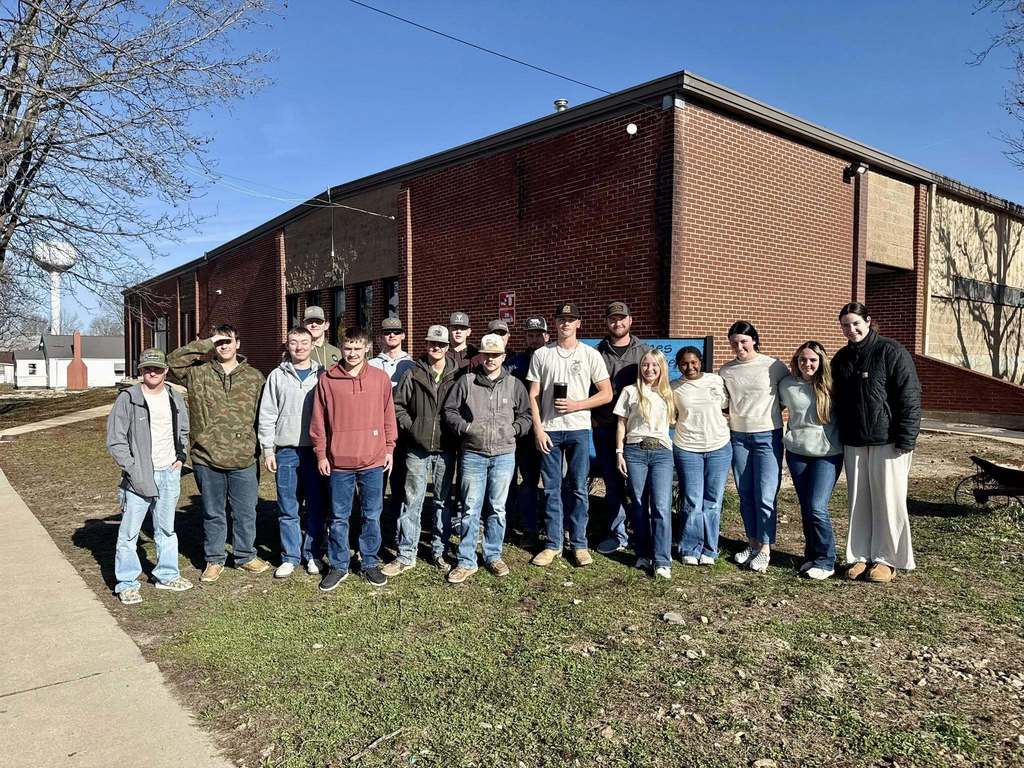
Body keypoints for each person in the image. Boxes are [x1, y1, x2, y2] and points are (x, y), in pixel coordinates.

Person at [168, 325, 268, 582]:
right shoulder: (197, 374)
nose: (223, 346)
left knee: (245, 511)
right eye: (219, 342)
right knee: (213, 512)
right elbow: (173, 360)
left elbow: (263, 416)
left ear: (238, 344)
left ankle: (245, 555)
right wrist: (206, 342)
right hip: (206, 456)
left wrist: (260, 446)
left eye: (228, 341)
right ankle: (214, 559)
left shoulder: (255, 377)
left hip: (243, 456)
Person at [831, 302, 921, 584]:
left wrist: (906, 437)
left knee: (888, 500)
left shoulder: (890, 352)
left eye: (856, 323)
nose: (851, 329)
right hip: (854, 441)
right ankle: (859, 555)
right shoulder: (841, 358)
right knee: (858, 500)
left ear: (868, 321)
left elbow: (910, 396)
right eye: (845, 325)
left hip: (889, 441)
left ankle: (886, 559)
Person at [310, 326, 397, 590]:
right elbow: (319, 422)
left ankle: (369, 561)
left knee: (372, 514)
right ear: (341, 348)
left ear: (367, 348)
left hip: (373, 460)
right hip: (339, 462)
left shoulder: (380, 378)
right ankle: (339, 565)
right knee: (338, 516)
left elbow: (388, 416)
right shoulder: (327, 379)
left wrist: (389, 448)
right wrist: (321, 454)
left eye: (358, 348)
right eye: (348, 348)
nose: (352, 353)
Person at [527, 302, 612, 567]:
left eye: (570, 319)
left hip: (578, 428)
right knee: (551, 488)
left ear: (579, 323)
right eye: (561, 319)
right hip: (550, 430)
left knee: (577, 488)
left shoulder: (590, 354)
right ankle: (553, 544)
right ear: (555, 323)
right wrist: (538, 428)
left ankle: (579, 543)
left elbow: (606, 393)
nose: (565, 323)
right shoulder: (542, 354)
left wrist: (577, 404)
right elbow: (533, 394)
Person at [443, 333, 531, 583]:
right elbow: (450, 411)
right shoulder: (467, 382)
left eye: (496, 355)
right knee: (470, 508)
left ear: (504, 356)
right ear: (480, 356)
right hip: (473, 454)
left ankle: (493, 554)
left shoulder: (514, 384)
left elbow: (525, 415)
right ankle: (466, 560)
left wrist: (514, 430)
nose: (491, 359)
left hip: (504, 455)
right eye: (487, 355)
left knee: (497, 508)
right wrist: (466, 428)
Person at [106, 348, 192, 604]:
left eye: (157, 368)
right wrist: (132, 469)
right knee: (129, 533)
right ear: (140, 371)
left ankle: (166, 575)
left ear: (166, 370)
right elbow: (115, 440)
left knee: (166, 529)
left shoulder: (173, 396)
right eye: (147, 369)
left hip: (169, 472)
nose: (152, 372)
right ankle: (127, 582)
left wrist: (181, 456)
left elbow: (184, 429)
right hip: (139, 475)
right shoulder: (128, 398)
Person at [383, 325, 459, 578]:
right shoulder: (413, 372)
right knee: (411, 500)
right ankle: (406, 554)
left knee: (442, 502)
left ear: (448, 347)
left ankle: (439, 550)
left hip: (446, 448)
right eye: (431, 343)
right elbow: (398, 406)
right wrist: (412, 427)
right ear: (425, 345)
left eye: (440, 344)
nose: (435, 348)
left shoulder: (458, 374)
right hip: (417, 448)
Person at [719, 321, 789, 574]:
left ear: (754, 341)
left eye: (744, 341)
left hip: (767, 436)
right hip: (738, 437)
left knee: (766, 495)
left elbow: (789, 394)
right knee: (745, 493)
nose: (739, 347)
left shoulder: (774, 366)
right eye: (734, 343)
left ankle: (766, 549)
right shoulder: (726, 370)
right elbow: (723, 403)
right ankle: (753, 542)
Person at [258, 326, 324, 578]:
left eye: (304, 342)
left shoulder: (323, 374)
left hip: (315, 451)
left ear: (312, 344)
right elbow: (267, 414)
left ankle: (313, 553)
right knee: (288, 506)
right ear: (287, 345)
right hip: (286, 450)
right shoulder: (277, 375)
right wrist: (268, 449)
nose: (299, 347)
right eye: (294, 342)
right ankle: (290, 556)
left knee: (316, 506)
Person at [778, 341, 843, 580]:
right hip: (797, 452)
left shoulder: (832, 385)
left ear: (821, 361)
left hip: (827, 454)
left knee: (817, 507)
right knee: (807, 507)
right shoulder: (787, 385)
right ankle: (811, 556)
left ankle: (827, 560)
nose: (807, 364)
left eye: (812, 360)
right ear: (796, 361)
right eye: (802, 359)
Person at [613, 349, 676, 579]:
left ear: (661, 368)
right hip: (635, 452)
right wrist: (619, 452)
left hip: (661, 453)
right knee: (639, 504)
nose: (649, 369)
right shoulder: (630, 392)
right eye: (645, 365)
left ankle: (662, 560)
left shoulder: (669, 394)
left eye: (654, 366)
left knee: (660, 506)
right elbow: (621, 424)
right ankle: (643, 554)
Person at [594, 301, 650, 555]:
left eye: (622, 318)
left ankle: (641, 532)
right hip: (606, 428)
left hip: (637, 431)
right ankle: (617, 534)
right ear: (607, 322)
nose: (618, 323)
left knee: (639, 485)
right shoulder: (597, 353)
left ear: (630, 321)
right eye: (613, 319)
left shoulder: (644, 353)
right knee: (613, 484)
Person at [671, 346, 731, 567]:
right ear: (678, 365)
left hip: (719, 447)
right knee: (692, 501)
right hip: (687, 448)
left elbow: (726, 406)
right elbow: (669, 416)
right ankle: (689, 547)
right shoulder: (674, 388)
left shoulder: (715, 381)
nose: (690, 367)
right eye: (685, 363)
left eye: (694, 362)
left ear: (701, 362)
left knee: (713, 501)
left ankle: (709, 548)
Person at [506, 316, 549, 536]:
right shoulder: (515, 363)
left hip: (550, 429)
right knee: (526, 479)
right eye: (530, 335)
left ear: (547, 336)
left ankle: (550, 526)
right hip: (522, 431)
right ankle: (523, 524)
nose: (534, 339)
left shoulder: (554, 359)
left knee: (553, 481)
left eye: (538, 335)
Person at [368, 316, 415, 386]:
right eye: (387, 332)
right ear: (381, 337)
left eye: (396, 332)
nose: (392, 335)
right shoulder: (370, 365)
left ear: (403, 336)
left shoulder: (412, 365)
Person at [304, 305, 342, 370]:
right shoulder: (299, 351)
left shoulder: (337, 352)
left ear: (326, 325)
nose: (314, 325)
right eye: (309, 322)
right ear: (303, 325)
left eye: (318, 322)